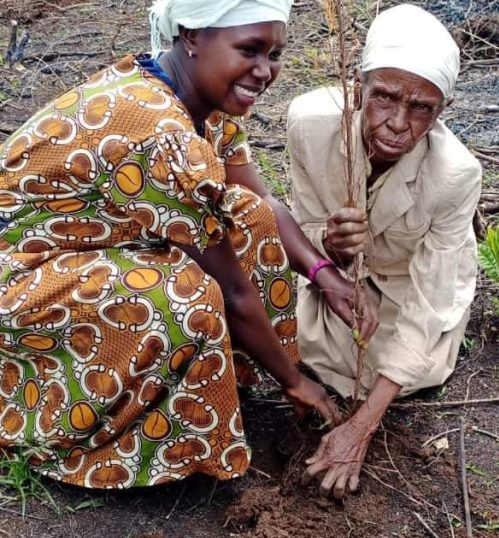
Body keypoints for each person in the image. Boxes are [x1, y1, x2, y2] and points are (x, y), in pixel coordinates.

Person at [0, 0, 378, 489]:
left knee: (251, 218)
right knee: (190, 296)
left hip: (80, 253)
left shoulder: (203, 99)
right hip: (20, 288)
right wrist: (295, 382)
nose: (264, 71)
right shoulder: (157, 131)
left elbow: (262, 202)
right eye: (250, 50)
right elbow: (235, 294)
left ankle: (216, 377)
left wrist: (325, 275)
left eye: (276, 53)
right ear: (192, 36)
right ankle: (68, 426)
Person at [288, 4, 482, 499]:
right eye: (385, 98)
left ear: (441, 113)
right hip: (337, 282)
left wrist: (361, 428)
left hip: (403, 288)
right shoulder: (310, 124)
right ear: (359, 89)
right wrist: (331, 250)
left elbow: (431, 298)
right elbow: (302, 224)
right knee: (274, 315)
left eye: (422, 109)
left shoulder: (455, 176)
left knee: (409, 365)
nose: (398, 123)